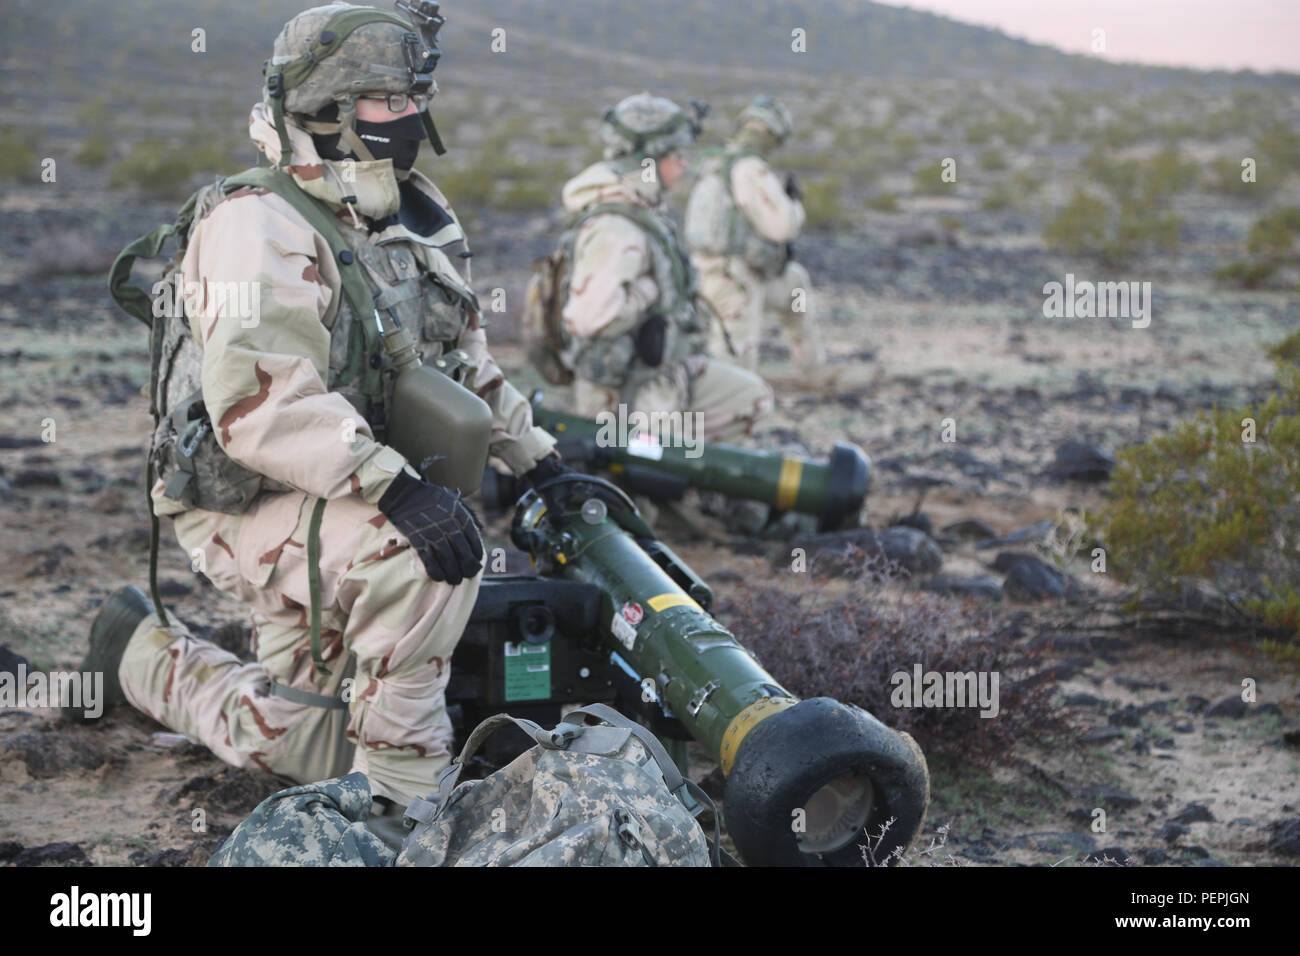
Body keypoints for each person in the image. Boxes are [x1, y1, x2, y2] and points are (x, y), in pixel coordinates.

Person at [67, 1, 583, 818]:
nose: (413, 117)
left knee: (308, 745)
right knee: (416, 557)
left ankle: (137, 654)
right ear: (331, 111)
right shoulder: (258, 223)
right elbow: (256, 406)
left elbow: (465, 365)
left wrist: (539, 459)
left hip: (337, 485)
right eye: (392, 101)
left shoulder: (413, 213)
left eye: (418, 98)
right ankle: (403, 805)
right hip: (248, 498)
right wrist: (395, 489)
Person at [556, 93, 773, 446]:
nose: (685, 165)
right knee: (656, 487)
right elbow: (589, 318)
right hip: (629, 394)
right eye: (677, 156)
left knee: (750, 398)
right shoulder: (616, 223)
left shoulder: (643, 210)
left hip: (663, 374)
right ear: (648, 161)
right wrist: (649, 292)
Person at [684, 95, 825, 373]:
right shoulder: (751, 169)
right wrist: (793, 204)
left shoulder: (712, 163)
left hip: (704, 270)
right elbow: (782, 226)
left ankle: (811, 370)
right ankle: (729, 405)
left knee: (795, 287)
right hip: (738, 277)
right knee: (735, 360)